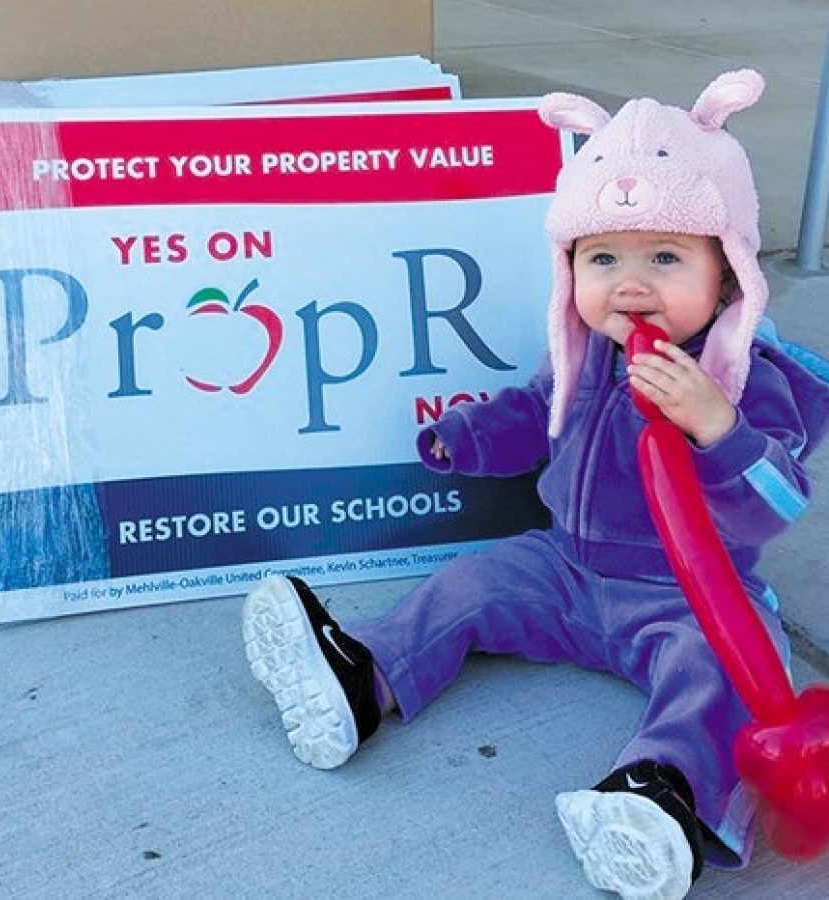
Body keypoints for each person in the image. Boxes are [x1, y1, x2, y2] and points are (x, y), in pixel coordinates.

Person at [242, 70, 829, 900]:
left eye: (665, 257)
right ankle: (359, 678)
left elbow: (778, 502)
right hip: (564, 569)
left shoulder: (743, 378)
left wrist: (717, 428)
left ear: (727, 273)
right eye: (603, 258)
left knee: (718, 680)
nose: (630, 282)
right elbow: (534, 412)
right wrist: (470, 437)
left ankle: (658, 794)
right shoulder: (584, 353)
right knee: (469, 584)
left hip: (691, 598)